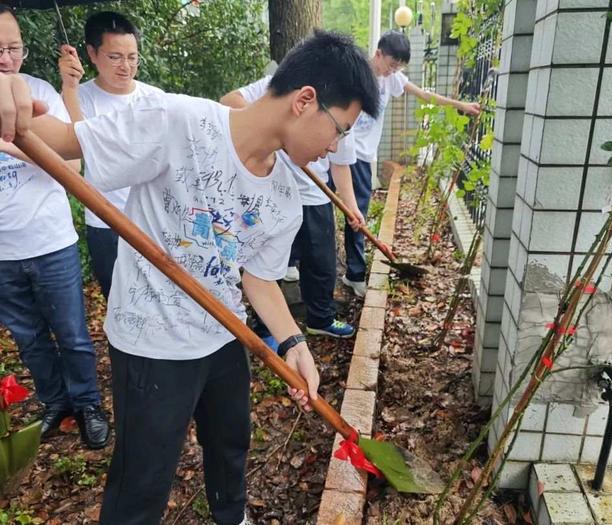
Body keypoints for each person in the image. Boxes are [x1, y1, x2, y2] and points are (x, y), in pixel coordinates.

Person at [0, 29, 379, 524]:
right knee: (144, 476)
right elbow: (67, 144)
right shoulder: (177, 121)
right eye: (341, 128)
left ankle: (232, 516)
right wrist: (14, 106)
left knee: (230, 443)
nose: (336, 146)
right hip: (150, 343)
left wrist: (294, 344)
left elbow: (259, 280)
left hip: (223, 335)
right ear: (305, 101)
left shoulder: (285, 194)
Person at [0, 4, 109, 449]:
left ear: (24, 52)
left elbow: (73, 163)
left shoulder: (40, 92)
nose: (5, 58)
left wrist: (13, 142)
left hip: (50, 242)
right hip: (3, 254)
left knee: (72, 334)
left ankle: (88, 404)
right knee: (28, 339)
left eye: (12, 48)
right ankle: (54, 402)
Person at [221, 76, 364, 340]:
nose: (333, 143)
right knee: (269, 265)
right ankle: (267, 329)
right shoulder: (283, 84)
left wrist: (350, 207)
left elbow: (340, 163)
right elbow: (231, 101)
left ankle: (320, 318)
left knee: (321, 264)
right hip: (274, 193)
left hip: (315, 197)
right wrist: (281, 137)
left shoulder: (344, 114)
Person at [342, 30, 481, 297]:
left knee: (356, 214)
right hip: (343, 150)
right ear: (378, 53)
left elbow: (423, 95)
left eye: (398, 67)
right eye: (391, 64)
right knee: (324, 207)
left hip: (362, 155)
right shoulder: (358, 76)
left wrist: (459, 105)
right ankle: (320, 266)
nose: (393, 71)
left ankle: (353, 273)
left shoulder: (390, 78)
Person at [58, 11, 163, 299]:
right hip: (106, 223)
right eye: (115, 57)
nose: (125, 66)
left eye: (132, 56)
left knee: (159, 300)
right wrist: (70, 90)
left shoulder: (155, 99)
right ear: (92, 53)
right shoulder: (80, 98)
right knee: (118, 302)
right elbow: (77, 149)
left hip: (152, 219)